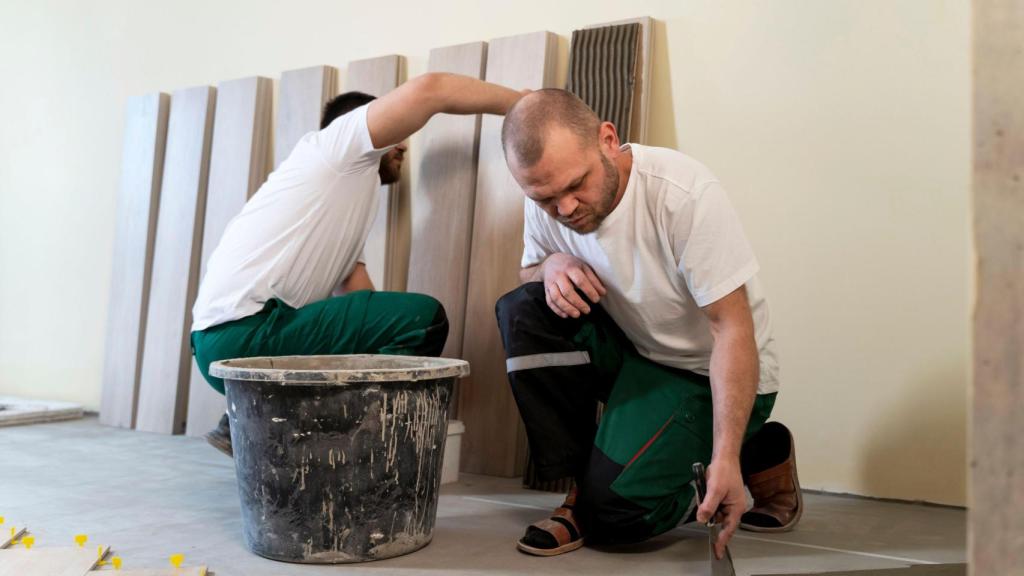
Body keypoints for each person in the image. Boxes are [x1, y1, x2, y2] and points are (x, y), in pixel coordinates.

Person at [495, 89, 801, 558]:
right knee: (526, 307)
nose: (566, 208)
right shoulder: (549, 199)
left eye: (577, 185)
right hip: (640, 356)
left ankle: (754, 451)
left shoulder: (683, 194)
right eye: (546, 198)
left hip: (708, 374)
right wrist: (551, 263)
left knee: (613, 519)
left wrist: (724, 459)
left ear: (608, 139)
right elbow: (529, 272)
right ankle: (578, 493)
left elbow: (731, 330)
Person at [190, 73, 524, 456]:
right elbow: (431, 88)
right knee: (425, 318)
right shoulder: (335, 147)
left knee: (406, 323)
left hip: (227, 339)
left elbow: (354, 287)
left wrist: (383, 340)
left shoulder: (347, 191)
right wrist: (520, 102)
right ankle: (339, 444)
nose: (403, 145)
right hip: (242, 332)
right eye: (397, 133)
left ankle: (259, 413)